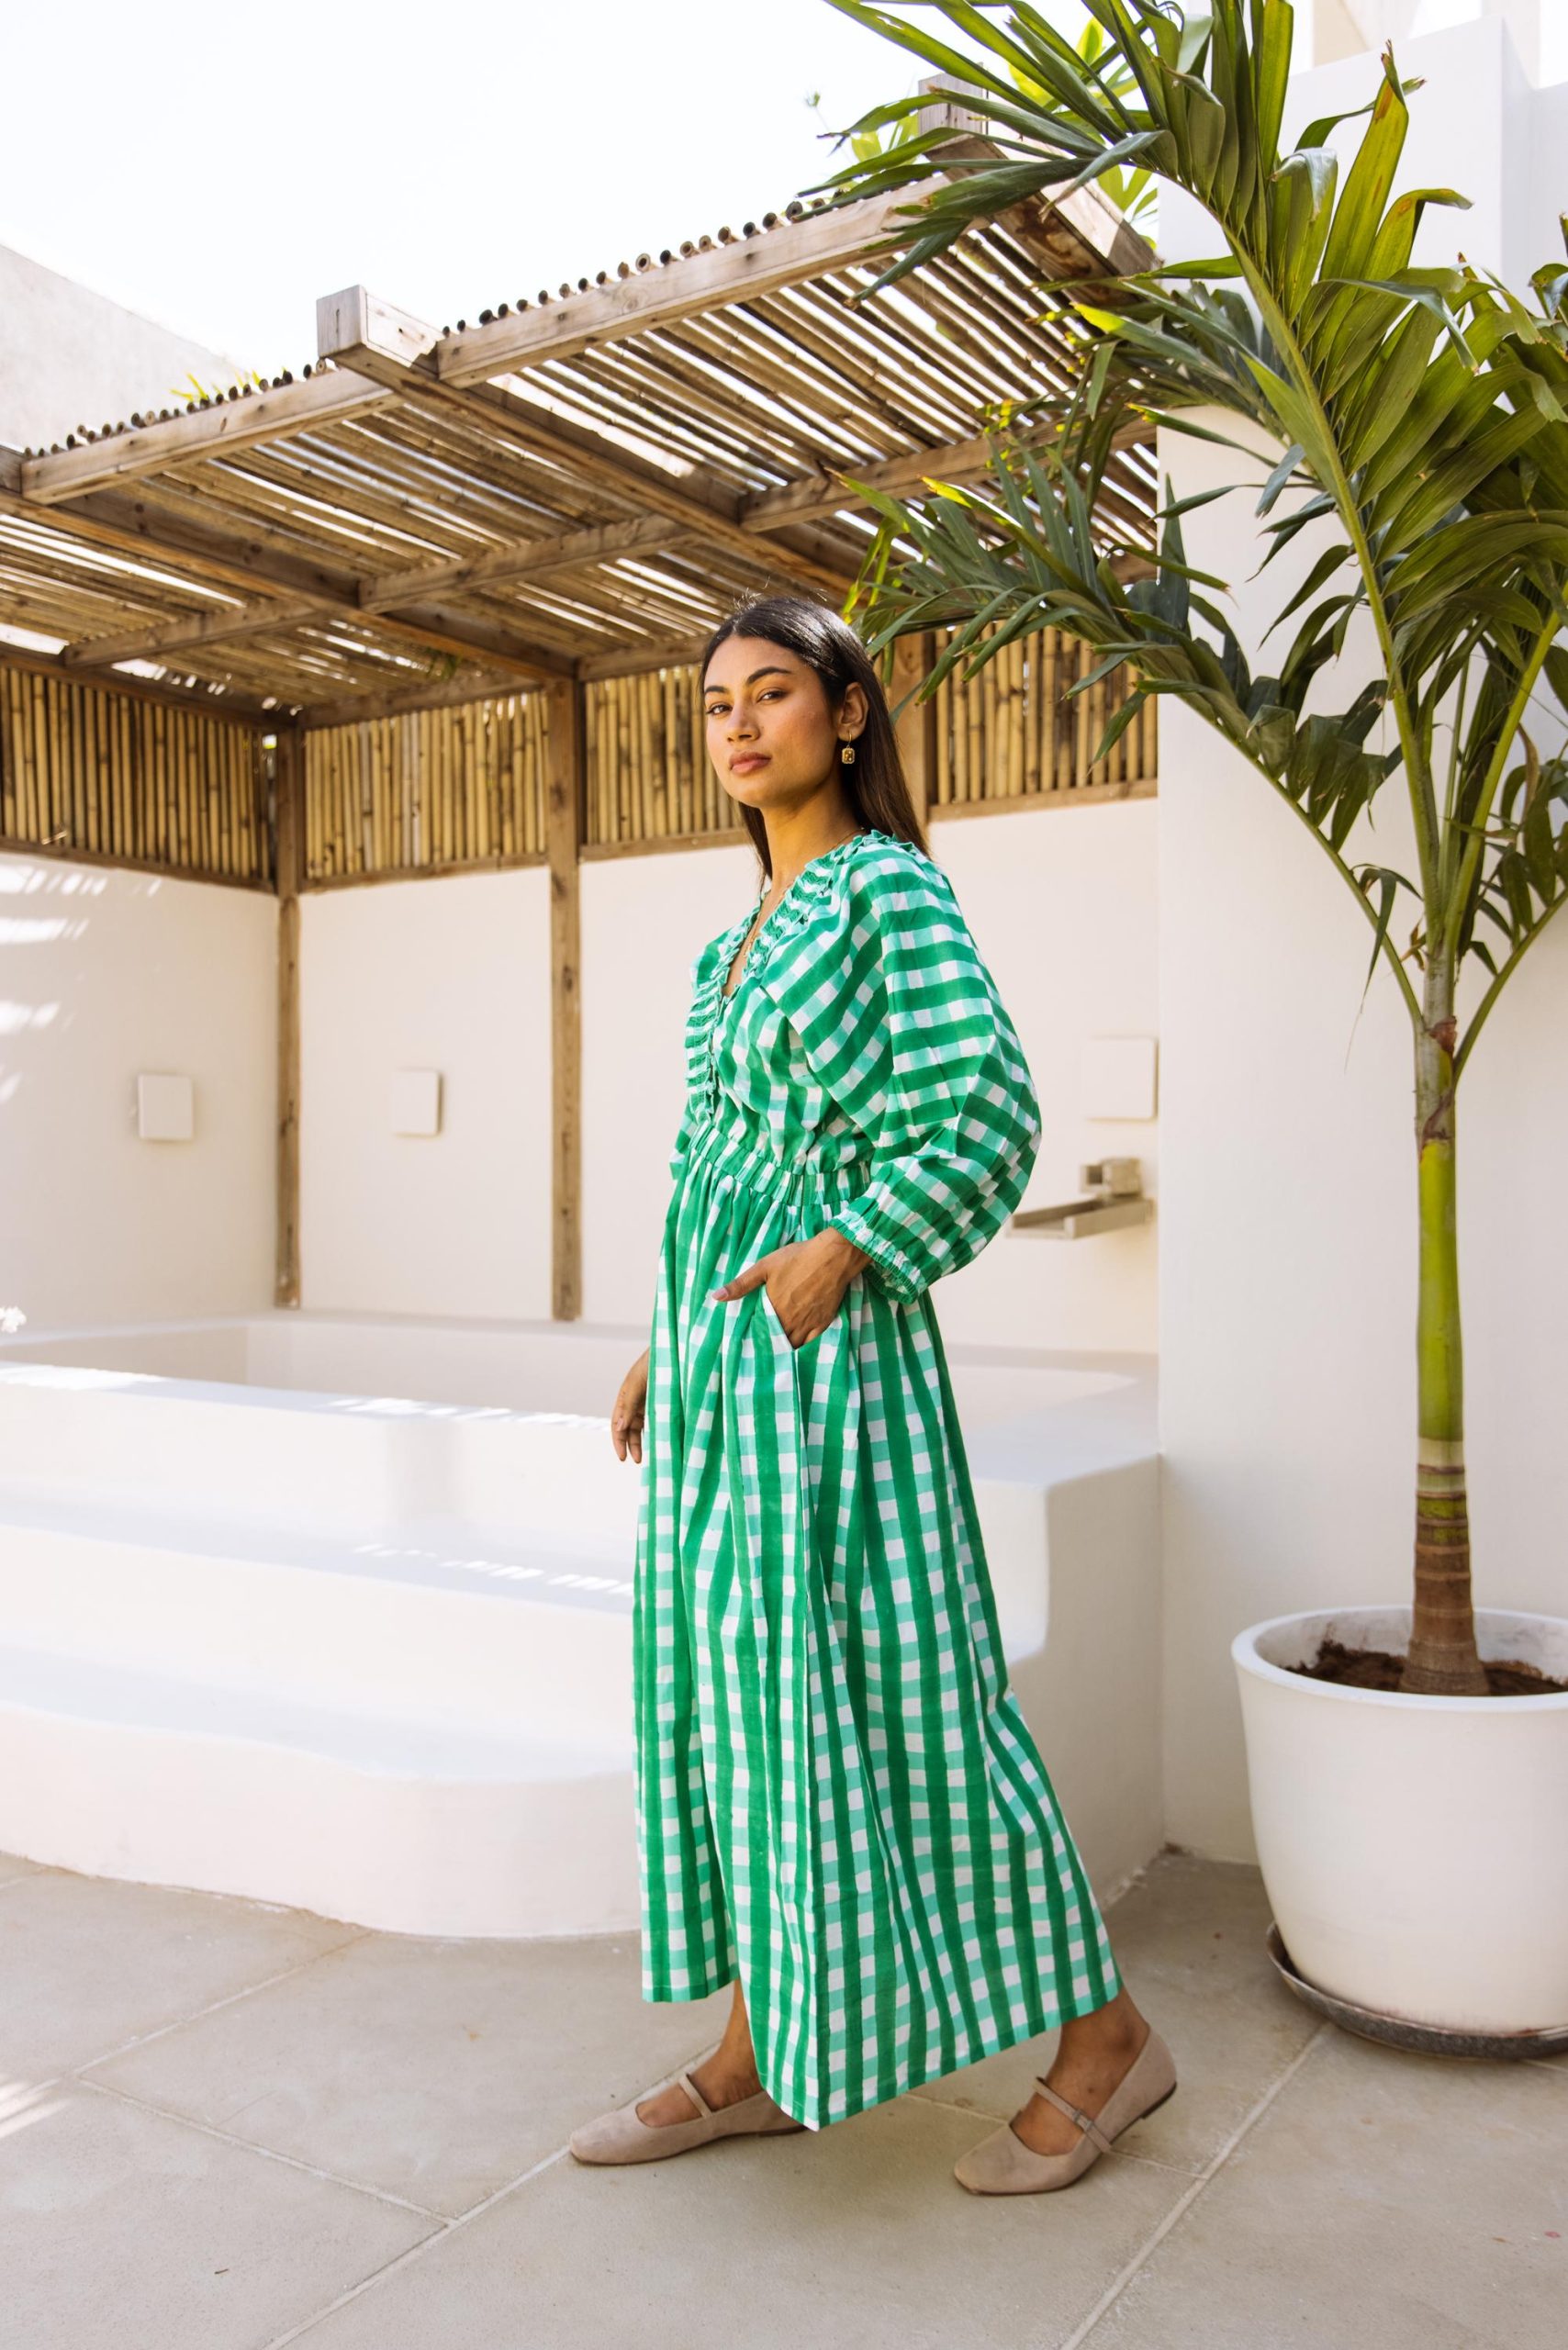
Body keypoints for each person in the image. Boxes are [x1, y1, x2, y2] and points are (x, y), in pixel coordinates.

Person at [570, 596, 1174, 2194]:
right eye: (716, 704)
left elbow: (988, 1104)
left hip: (838, 1368)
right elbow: (710, 1162)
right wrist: (664, 1341)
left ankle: (1108, 2042)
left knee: (910, 1699)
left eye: (771, 692)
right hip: (724, 1373)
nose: (738, 724)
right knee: (744, 1703)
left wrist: (853, 1245)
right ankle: (761, 2050)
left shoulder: (887, 892)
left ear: (846, 715)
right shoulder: (728, 950)